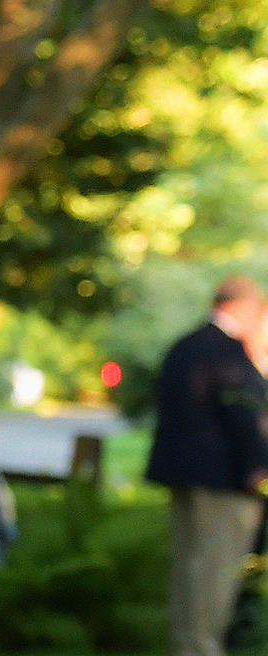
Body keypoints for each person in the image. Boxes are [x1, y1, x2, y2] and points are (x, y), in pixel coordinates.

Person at [145, 276, 268, 656]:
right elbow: (244, 416)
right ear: (244, 307)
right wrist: (259, 466)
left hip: (184, 477)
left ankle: (186, 647)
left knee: (188, 571)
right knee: (214, 577)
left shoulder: (185, 345)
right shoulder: (228, 353)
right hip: (225, 483)